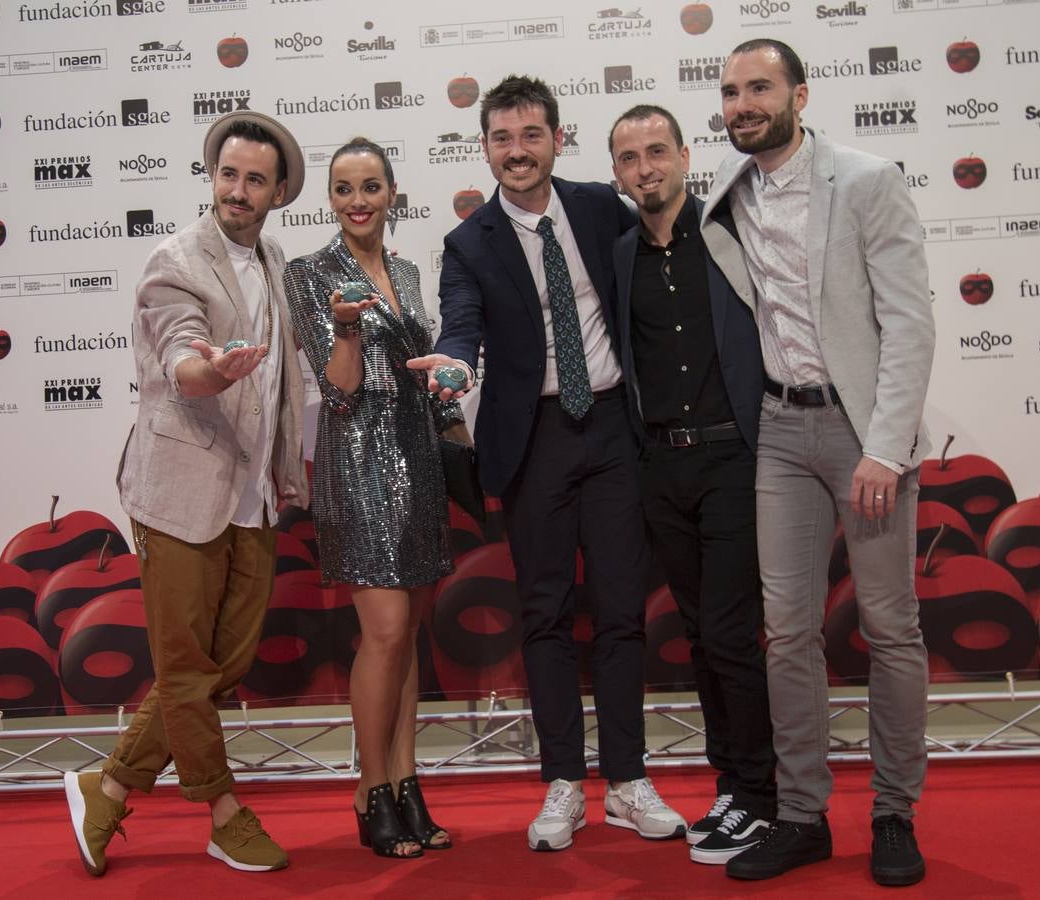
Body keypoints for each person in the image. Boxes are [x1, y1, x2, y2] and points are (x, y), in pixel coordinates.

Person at [407, 74, 686, 852]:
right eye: (502, 138)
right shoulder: (470, 243)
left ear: (557, 139)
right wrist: (457, 368)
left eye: (532, 135)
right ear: (486, 147)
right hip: (532, 441)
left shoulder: (602, 206)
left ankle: (628, 781)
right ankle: (564, 782)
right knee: (545, 615)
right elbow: (461, 326)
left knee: (624, 610)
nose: (518, 151)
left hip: (613, 431)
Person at [705, 40, 935, 886]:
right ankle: (802, 814)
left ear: (800, 93)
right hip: (778, 428)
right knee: (789, 631)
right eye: (730, 92)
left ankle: (893, 813)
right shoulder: (726, 195)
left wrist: (885, 444)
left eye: (759, 87)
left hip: (861, 433)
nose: (742, 104)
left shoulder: (868, 179)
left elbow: (910, 324)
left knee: (888, 625)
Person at [63, 110, 309, 876]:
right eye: (228, 174)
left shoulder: (274, 262)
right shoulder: (174, 260)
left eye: (255, 180)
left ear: (277, 192)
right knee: (182, 667)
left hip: (253, 494)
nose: (238, 190)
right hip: (181, 492)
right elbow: (180, 356)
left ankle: (107, 783)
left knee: (221, 666)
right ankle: (222, 809)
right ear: (213, 177)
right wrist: (212, 371)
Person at [283, 137, 468, 859]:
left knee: (409, 636)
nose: (357, 200)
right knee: (385, 632)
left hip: (418, 454)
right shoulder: (309, 273)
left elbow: (415, 365)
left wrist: (447, 377)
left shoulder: (410, 270)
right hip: (357, 461)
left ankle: (406, 781)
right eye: (342, 188)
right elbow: (340, 388)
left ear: (393, 193)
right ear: (330, 199)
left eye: (370, 186)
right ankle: (369, 790)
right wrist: (348, 324)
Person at [607, 104, 776, 866]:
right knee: (705, 635)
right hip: (661, 468)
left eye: (656, 151)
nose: (645, 168)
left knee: (735, 635)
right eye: (629, 158)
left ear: (683, 155)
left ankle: (762, 795)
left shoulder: (733, 236)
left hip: (735, 459)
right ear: (616, 173)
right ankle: (732, 790)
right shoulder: (618, 258)